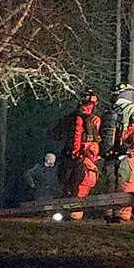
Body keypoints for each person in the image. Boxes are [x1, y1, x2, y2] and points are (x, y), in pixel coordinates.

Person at [98, 83, 134, 223]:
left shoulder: (111, 111)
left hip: (111, 154)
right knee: (126, 184)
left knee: (111, 185)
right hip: (126, 154)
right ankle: (121, 216)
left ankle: (109, 214)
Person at [54, 91, 102, 220]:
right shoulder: (91, 120)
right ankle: (72, 214)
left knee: (73, 186)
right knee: (78, 186)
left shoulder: (71, 119)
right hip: (79, 158)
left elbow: (56, 135)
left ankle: (69, 213)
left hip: (73, 158)